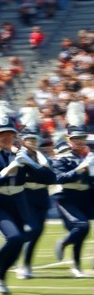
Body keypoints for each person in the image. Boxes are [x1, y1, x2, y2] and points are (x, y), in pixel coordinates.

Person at [0, 101, 54, 295]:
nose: (6, 137)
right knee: (14, 237)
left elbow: (50, 178)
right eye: (2, 134)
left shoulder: (20, 154)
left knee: (26, 236)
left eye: (10, 133)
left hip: (19, 201)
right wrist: (5, 172)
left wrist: (32, 162)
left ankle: (0, 276)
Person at [51, 103, 93, 278]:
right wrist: (79, 170)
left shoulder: (89, 156)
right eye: (76, 138)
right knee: (82, 225)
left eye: (82, 138)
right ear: (69, 139)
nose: (80, 141)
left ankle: (76, 265)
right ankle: (62, 244)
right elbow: (59, 178)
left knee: (84, 231)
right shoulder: (62, 157)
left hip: (85, 196)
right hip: (67, 197)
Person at [16, 107, 54, 279]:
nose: (32, 141)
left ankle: (26, 264)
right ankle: (14, 254)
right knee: (34, 229)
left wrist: (37, 169)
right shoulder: (19, 156)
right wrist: (38, 171)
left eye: (34, 139)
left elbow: (50, 177)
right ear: (23, 140)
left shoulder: (42, 157)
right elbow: (25, 176)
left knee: (38, 233)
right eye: (29, 138)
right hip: (26, 196)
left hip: (42, 196)